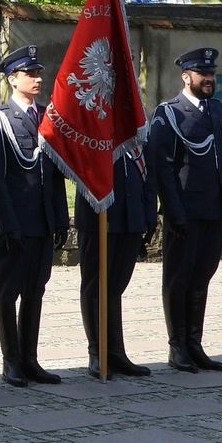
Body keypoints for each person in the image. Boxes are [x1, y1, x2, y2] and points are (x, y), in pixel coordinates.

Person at [147, 47, 222, 372]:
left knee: (202, 278)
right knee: (179, 278)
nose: (210, 79)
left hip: (213, 210)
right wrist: (174, 212)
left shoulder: (217, 110)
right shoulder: (169, 113)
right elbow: (162, 168)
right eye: (203, 74)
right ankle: (177, 346)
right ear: (186, 77)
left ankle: (194, 343)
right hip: (185, 211)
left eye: (212, 73)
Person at [0, 46, 68, 387]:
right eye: (30, 74)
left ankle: (30, 358)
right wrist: (9, 222)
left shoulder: (47, 117)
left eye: (39, 73)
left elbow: (56, 173)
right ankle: (11, 360)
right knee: (9, 292)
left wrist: (60, 218)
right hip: (14, 223)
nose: (37, 79)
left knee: (35, 291)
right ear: (12, 79)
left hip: (42, 222)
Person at [77, 146, 157, 378]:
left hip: (130, 214)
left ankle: (115, 352)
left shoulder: (134, 130)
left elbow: (147, 170)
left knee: (116, 286)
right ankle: (97, 352)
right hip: (99, 215)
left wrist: (148, 212)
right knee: (95, 285)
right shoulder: (92, 127)